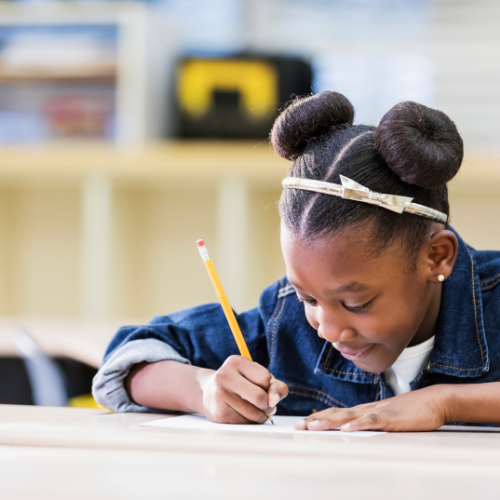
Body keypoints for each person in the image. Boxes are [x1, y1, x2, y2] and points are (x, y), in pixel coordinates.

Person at [92, 91, 500, 431]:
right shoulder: (285, 320)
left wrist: (444, 402)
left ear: (436, 257)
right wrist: (203, 389)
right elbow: (129, 360)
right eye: (309, 298)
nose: (329, 330)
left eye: (356, 304)